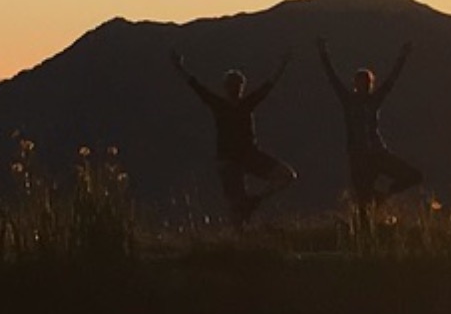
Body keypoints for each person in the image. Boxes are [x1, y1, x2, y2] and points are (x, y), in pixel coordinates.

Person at [172, 50, 296, 224]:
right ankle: (240, 234)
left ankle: (251, 206)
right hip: (232, 160)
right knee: (237, 204)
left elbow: (196, 86)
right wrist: (282, 65)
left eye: (237, 85)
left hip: (244, 156)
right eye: (234, 85)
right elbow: (196, 86)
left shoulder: (233, 104)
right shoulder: (233, 105)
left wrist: (179, 68)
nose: (235, 88)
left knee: (285, 176)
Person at [316, 39, 421, 219]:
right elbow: (332, 78)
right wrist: (323, 54)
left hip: (375, 153)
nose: (362, 85)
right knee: (363, 206)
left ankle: (383, 196)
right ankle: (369, 227)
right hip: (359, 157)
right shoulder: (349, 100)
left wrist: (402, 58)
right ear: (355, 84)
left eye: (365, 82)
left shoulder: (372, 100)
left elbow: (391, 80)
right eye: (360, 82)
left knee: (412, 176)